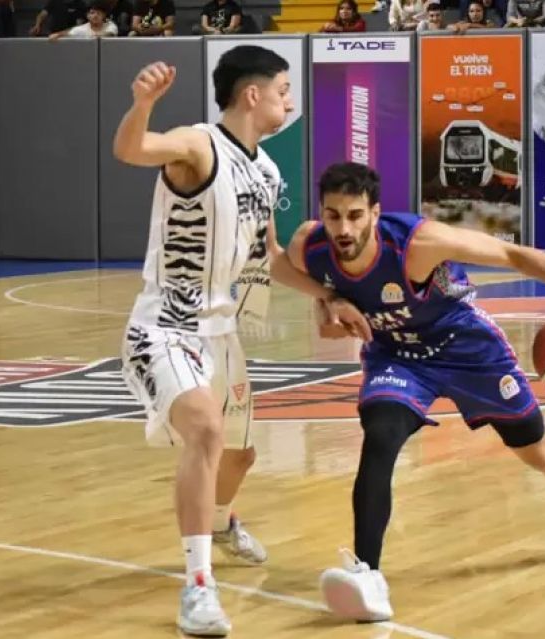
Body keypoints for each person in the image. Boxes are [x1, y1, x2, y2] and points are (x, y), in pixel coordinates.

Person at [281, 162, 545, 623]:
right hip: (396, 354)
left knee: (533, 447)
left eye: (355, 215)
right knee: (380, 435)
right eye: (333, 215)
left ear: (375, 213)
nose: (343, 227)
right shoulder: (309, 244)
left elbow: (508, 253)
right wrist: (328, 298)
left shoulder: (419, 243)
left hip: (463, 344)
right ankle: (367, 574)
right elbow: (278, 265)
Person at [112, 50, 370, 636]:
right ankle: (198, 587)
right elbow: (131, 150)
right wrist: (143, 104)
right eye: (283, 88)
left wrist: (326, 295)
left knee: (241, 455)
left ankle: (222, 523)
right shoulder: (197, 145)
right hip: (166, 324)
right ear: (251, 95)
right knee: (204, 430)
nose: (291, 100)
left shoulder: (266, 172)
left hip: (220, 331)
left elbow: (271, 259)